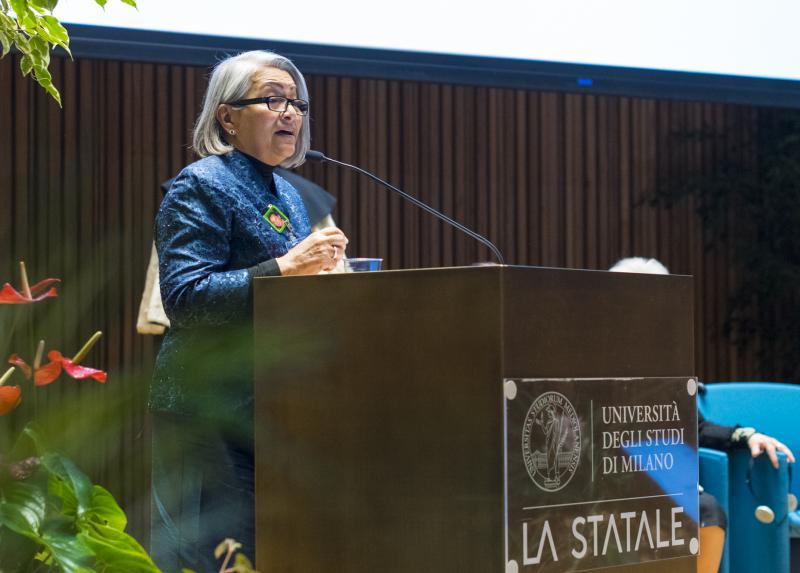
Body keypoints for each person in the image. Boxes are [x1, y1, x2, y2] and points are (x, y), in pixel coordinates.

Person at [149, 50, 348, 572]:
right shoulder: (201, 183)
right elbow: (186, 298)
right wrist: (285, 267)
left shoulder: (288, 192)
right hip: (207, 412)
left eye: (296, 102)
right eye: (272, 99)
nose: (290, 113)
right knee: (215, 562)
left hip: (274, 409)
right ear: (227, 116)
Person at [610, 257, 795, 573]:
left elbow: (695, 427)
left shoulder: (668, 369)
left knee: (707, 509)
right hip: (608, 486)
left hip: (664, 484)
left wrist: (746, 435)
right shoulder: (592, 365)